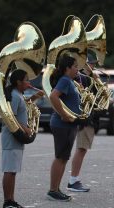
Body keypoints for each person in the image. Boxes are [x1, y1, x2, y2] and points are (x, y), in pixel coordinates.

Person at [1, 69, 44, 208]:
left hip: (16, 138)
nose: (29, 82)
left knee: (13, 171)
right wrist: (25, 129)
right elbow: (11, 117)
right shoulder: (14, 95)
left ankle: (11, 201)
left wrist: (35, 97)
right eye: (26, 79)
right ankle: (8, 202)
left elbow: (23, 105)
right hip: (11, 138)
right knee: (9, 170)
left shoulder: (18, 94)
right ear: (18, 82)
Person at [47, 53, 82, 202]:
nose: (77, 69)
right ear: (68, 68)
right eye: (75, 66)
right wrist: (64, 115)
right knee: (60, 157)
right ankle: (52, 191)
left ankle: (56, 189)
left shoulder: (69, 81)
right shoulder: (65, 80)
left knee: (64, 157)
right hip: (62, 125)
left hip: (68, 125)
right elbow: (53, 96)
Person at [67, 53, 98, 192]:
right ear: (85, 64)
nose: (94, 66)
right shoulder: (82, 78)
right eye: (92, 63)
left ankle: (75, 179)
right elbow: (85, 98)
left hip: (89, 118)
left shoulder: (88, 78)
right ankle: (73, 180)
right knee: (81, 148)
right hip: (85, 118)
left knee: (82, 149)